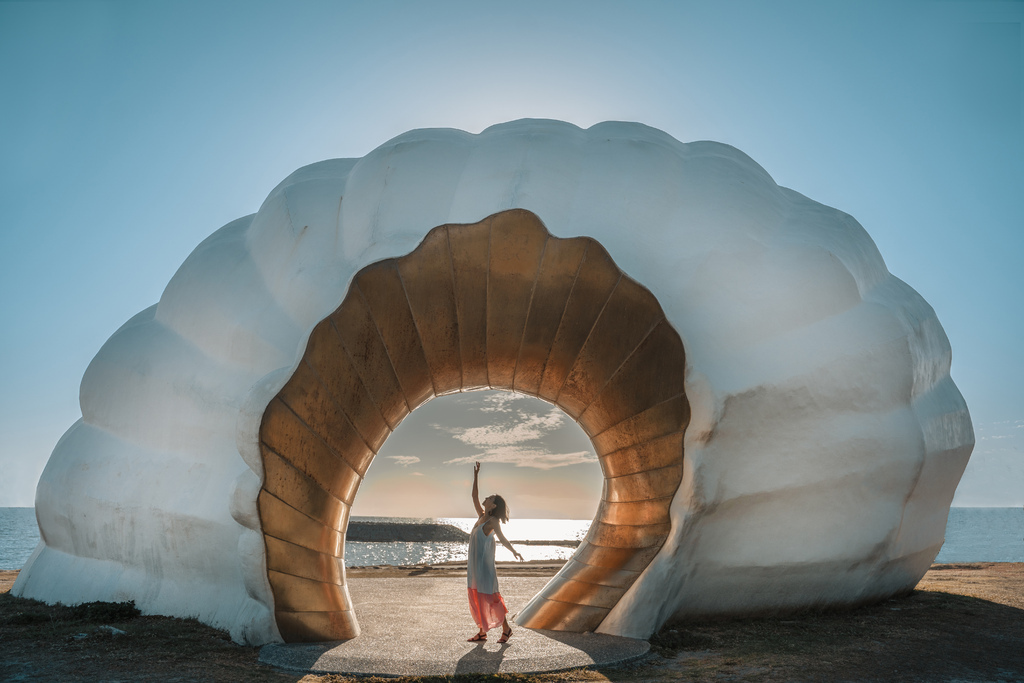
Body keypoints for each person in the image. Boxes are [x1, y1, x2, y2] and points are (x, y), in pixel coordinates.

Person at [466, 461, 523, 643]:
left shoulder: (492, 523)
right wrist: (476, 475)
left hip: (485, 568)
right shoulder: (481, 515)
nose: (486, 498)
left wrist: (514, 551)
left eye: (490, 498)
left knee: (490, 598)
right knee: (477, 597)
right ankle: (482, 632)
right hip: (474, 567)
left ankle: (506, 629)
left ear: (493, 506)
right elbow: (474, 495)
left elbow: (503, 538)